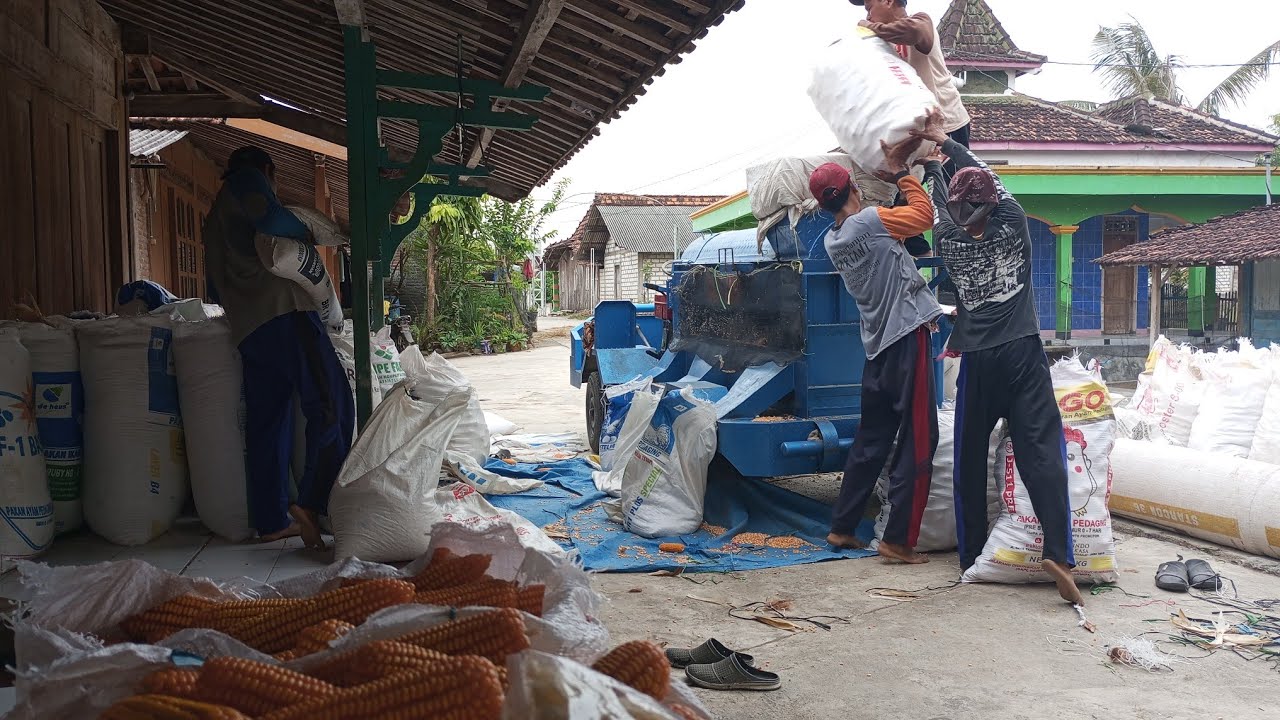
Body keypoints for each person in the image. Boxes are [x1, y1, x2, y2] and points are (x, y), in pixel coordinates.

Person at [910, 129, 1083, 605]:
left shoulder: (946, 236)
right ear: (991, 203)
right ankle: (1059, 553)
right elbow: (988, 177)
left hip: (978, 359)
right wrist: (948, 142)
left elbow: (941, 202)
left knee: (969, 455)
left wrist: (926, 164)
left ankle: (970, 555)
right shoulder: (1014, 220)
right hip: (1023, 352)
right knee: (1041, 450)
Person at [203, 146, 354, 549]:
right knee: (333, 404)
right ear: (268, 171)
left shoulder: (213, 221)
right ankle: (313, 502)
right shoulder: (247, 182)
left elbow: (212, 290)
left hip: (249, 330)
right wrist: (306, 233)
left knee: (268, 423)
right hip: (286, 314)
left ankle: (271, 519)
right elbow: (271, 217)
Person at [811, 116, 944, 565]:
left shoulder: (833, 240)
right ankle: (898, 540)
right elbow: (925, 216)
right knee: (918, 440)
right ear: (853, 187)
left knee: (871, 441)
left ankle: (842, 528)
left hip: (877, 350)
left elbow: (891, 229)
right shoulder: (870, 221)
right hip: (908, 339)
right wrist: (905, 175)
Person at [851, 0, 972, 261]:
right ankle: (925, 273)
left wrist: (870, 27)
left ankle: (963, 274)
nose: (866, 12)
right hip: (914, 134)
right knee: (907, 208)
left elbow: (916, 34)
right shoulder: (881, 46)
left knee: (954, 205)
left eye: (869, 5)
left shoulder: (921, 22)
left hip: (946, 128)